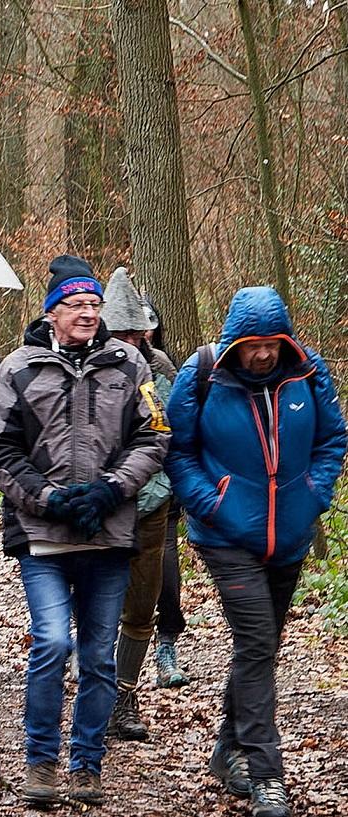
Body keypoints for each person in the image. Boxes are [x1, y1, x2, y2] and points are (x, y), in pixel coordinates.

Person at [0, 255, 169, 808]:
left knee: (99, 656)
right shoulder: (18, 367)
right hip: (44, 536)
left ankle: (87, 764)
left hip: (108, 535)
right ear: (52, 313)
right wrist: (48, 498)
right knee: (52, 643)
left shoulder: (130, 364)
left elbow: (155, 436)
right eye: (76, 305)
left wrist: (113, 488)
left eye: (93, 304)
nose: (87, 313)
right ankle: (40, 762)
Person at [166, 286, 345, 817]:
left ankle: (226, 748)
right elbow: (178, 450)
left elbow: (333, 439)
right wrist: (211, 504)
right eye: (251, 344)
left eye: (271, 343)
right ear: (233, 343)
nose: (262, 353)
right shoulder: (202, 377)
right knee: (256, 639)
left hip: (288, 535)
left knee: (259, 650)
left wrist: (315, 493)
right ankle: (267, 774)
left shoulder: (308, 373)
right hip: (227, 536)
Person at [97, 268, 176, 742]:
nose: (128, 340)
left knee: (142, 607)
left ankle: (124, 696)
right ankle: (98, 687)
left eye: (134, 332)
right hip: (105, 506)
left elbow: (167, 432)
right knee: (98, 606)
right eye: (119, 331)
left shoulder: (160, 368)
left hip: (151, 506)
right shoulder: (92, 366)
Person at [144, 295, 191, 689]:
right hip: (117, 492)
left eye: (147, 324)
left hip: (162, 491)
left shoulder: (163, 367)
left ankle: (166, 644)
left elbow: (175, 428)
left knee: (167, 573)